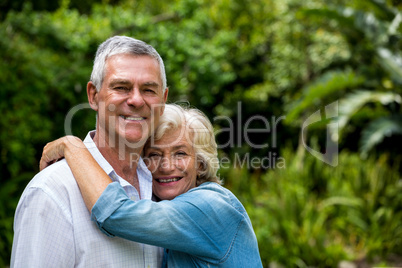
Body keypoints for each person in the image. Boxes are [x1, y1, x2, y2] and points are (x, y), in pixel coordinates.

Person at [39, 104, 263, 267]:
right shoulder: (161, 208)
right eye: (154, 154)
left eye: (181, 153)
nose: (166, 166)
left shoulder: (210, 205)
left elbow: (117, 213)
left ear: (201, 163)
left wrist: (73, 147)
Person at [11, 36, 169, 267]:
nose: (136, 100)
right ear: (93, 95)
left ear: (163, 100)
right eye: (121, 87)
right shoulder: (52, 192)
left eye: (148, 89)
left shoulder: (167, 186)